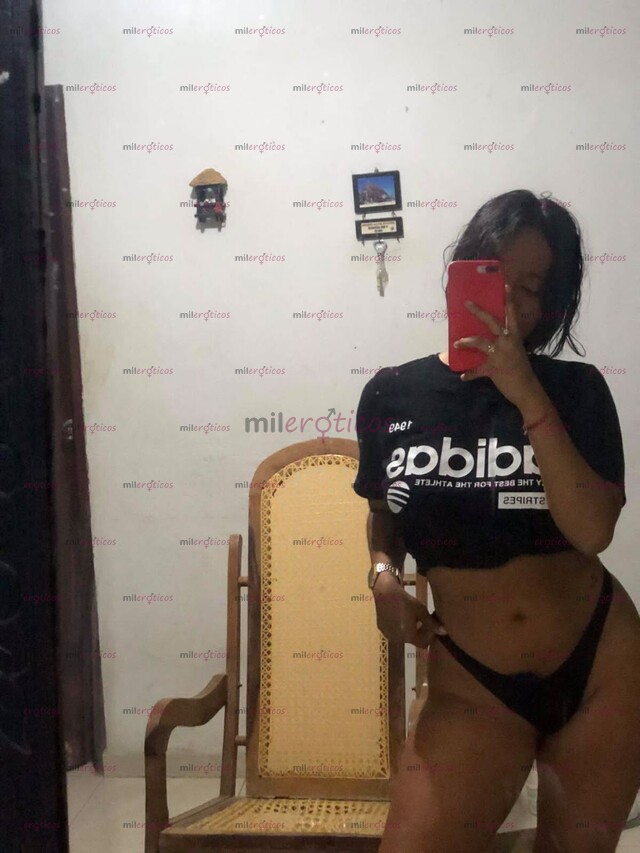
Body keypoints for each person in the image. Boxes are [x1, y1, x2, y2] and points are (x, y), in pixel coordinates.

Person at [352, 189, 640, 853]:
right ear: (461, 271)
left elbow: (592, 530)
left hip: (601, 668)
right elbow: (384, 511)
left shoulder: (578, 390)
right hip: (473, 685)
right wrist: (382, 575)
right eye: (492, 274)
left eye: (530, 287)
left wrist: (524, 391)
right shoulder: (393, 393)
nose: (508, 301)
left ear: (552, 303)